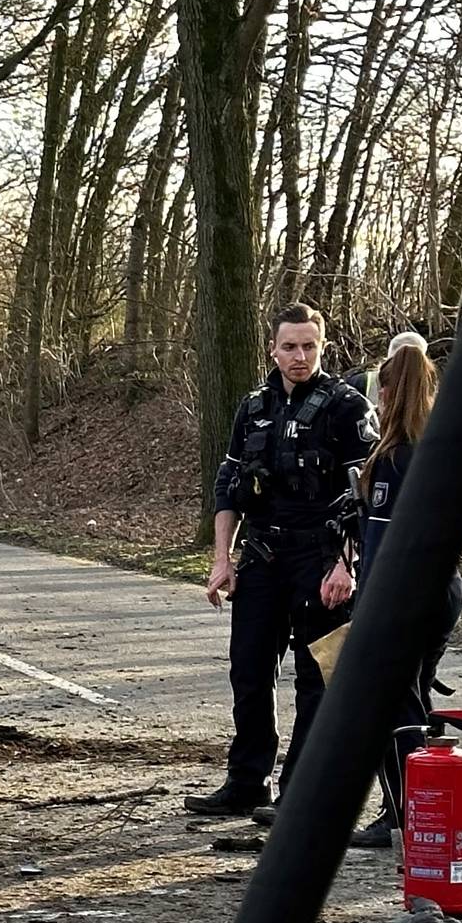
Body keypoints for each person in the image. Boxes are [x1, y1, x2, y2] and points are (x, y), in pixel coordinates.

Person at [187, 302, 374, 818]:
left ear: (322, 347)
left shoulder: (347, 407)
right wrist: (221, 559)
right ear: (272, 348)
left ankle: (302, 792)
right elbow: (228, 485)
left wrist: (348, 564)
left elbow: (368, 494)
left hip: (323, 555)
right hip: (264, 554)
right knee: (248, 669)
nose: (299, 356)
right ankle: (247, 782)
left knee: (316, 678)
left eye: (308, 346)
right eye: (289, 346)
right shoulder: (253, 406)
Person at [344, 341, 455, 848]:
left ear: (386, 393)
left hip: (403, 598)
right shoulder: (442, 451)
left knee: (394, 704)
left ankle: (404, 813)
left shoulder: (393, 459)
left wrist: (366, 607)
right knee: (413, 695)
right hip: (443, 593)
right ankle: (417, 810)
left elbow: (384, 545)